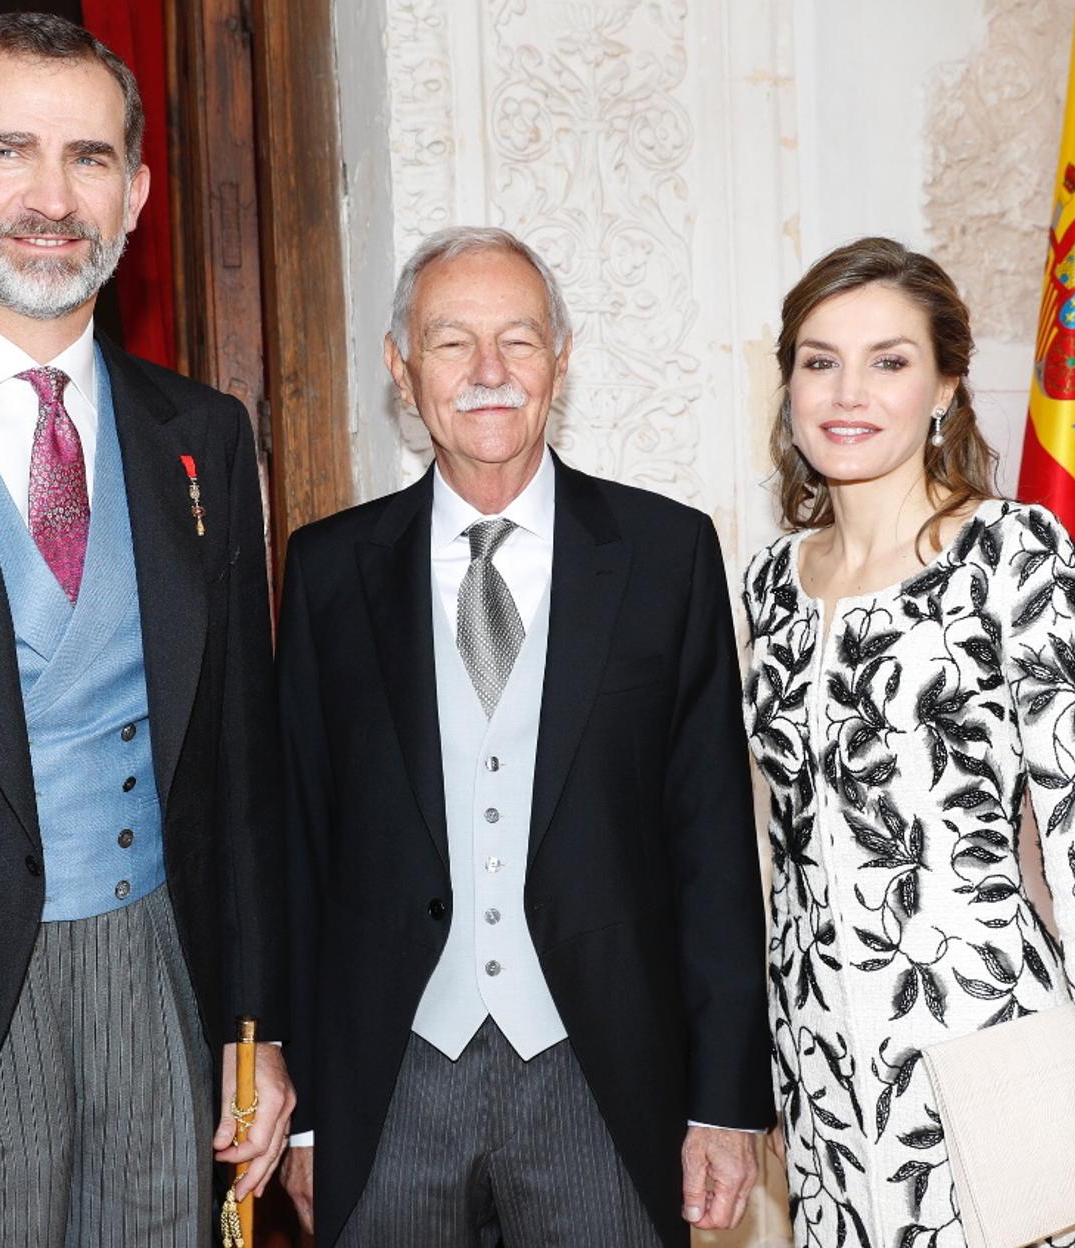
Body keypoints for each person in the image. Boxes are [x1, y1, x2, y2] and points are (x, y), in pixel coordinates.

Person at [275, 226, 773, 1246]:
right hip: (389, 1083)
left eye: (520, 340)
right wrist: (310, 1110)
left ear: (563, 357)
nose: (490, 373)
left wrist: (723, 1102)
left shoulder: (665, 555)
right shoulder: (328, 572)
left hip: (606, 1080)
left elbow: (713, 844)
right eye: (453, 342)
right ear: (401, 367)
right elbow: (299, 844)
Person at [0, 14, 293, 1246]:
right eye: (9, 151)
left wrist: (254, 1036)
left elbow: (240, 767)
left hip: (161, 1005)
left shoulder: (204, 436)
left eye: (91, 158)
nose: (51, 196)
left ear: (139, 193)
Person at [742, 236, 1075, 1246]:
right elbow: (786, 860)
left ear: (947, 386)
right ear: (787, 384)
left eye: (890, 360)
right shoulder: (767, 585)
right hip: (826, 1085)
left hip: (988, 1053)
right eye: (819, 360)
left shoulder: (1014, 554)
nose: (847, 392)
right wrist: (779, 1075)